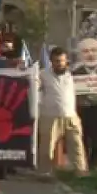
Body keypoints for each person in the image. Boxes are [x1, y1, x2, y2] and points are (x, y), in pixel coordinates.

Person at [36, 47, 88, 175]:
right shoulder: (43, 75)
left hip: (71, 116)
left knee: (77, 145)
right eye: (56, 61)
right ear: (51, 62)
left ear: (66, 61)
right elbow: (32, 86)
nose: (60, 64)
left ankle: (80, 172)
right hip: (50, 117)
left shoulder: (73, 75)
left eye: (62, 61)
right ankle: (44, 172)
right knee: (46, 147)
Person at [72, 37, 97, 171]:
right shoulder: (76, 73)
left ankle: (94, 162)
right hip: (83, 108)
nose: (90, 54)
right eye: (86, 51)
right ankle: (84, 162)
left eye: (94, 50)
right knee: (83, 136)